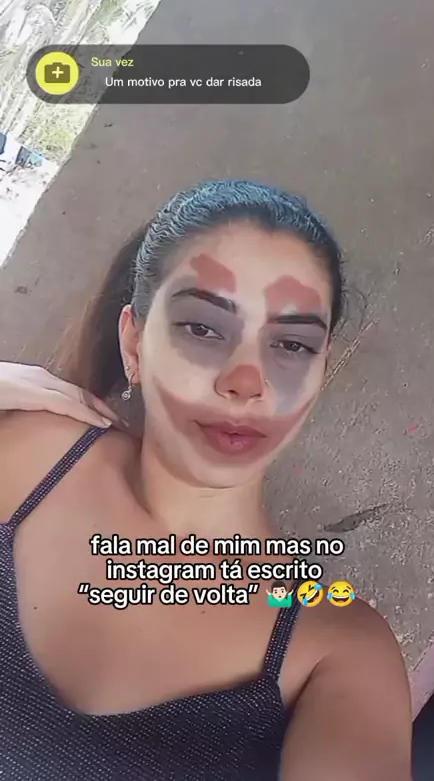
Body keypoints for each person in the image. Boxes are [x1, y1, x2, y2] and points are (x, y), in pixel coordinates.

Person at [0, 179, 412, 780]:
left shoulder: (337, 648)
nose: (246, 381)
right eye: (203, 328)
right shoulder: (29, 458)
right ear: (134, 342)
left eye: (291, 344)